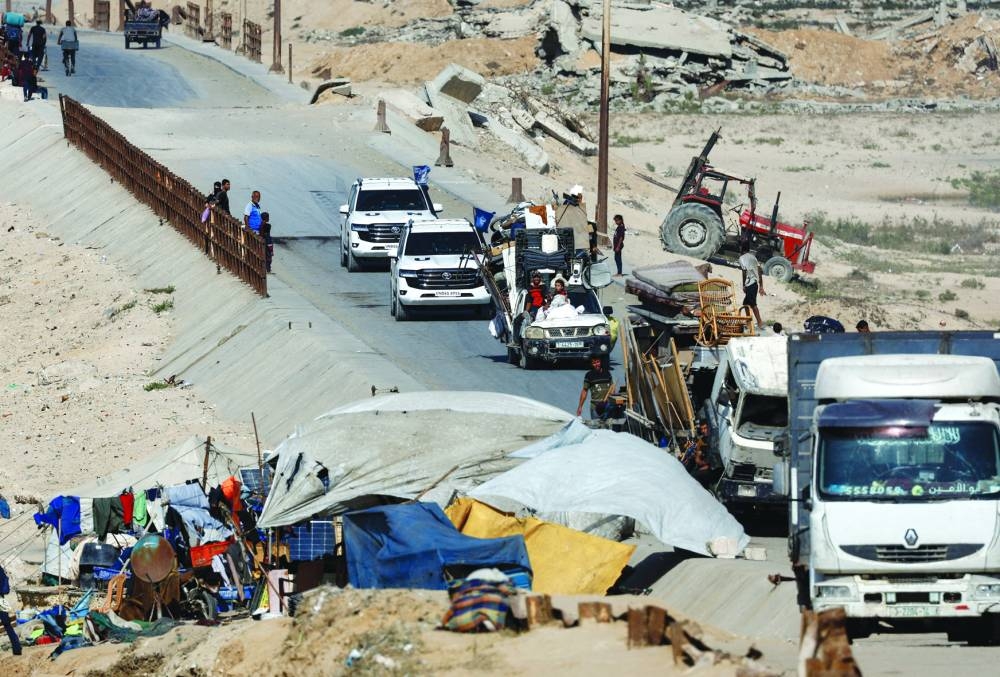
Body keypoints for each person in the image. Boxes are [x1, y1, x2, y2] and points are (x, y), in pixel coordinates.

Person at [576, 354, 614, 419]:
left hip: (607, 407)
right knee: (595, 428)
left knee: (607, 428)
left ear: (600, 362)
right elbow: (584, 391)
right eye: (594, 363)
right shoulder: (589, 375)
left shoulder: (607, 373)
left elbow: (612, 388)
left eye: (598, 362)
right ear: (591, 364)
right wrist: (580, 406)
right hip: (595, 408)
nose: (596, 364)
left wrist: (611, 399)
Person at [737, 240, 764, 327]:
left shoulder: (742, 258)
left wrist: (744, 285)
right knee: (746, 303)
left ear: (742, 248)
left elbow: (744, 272)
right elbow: (760, 271)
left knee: (753, 304)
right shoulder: (753, 257)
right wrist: (761, 286)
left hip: (750, 284)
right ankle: (749, 321)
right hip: (755, 284)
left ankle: (759, 322)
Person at [0, 563, 22, 656]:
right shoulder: (0, 570)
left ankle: (17, 647)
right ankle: (17, 648)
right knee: (7, 624)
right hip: (1, 600)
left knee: (7, 624)